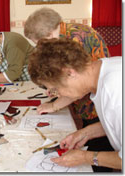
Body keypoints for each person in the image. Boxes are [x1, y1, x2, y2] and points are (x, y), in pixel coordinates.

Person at [24, 8, 114, 171]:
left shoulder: (113, 95)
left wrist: (88, 157)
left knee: (102, 153)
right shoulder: (104, 76)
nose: (59, 95)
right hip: (96, 105)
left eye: (56, 89)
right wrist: (86, 133)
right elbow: (111, 125)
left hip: (95, 107)